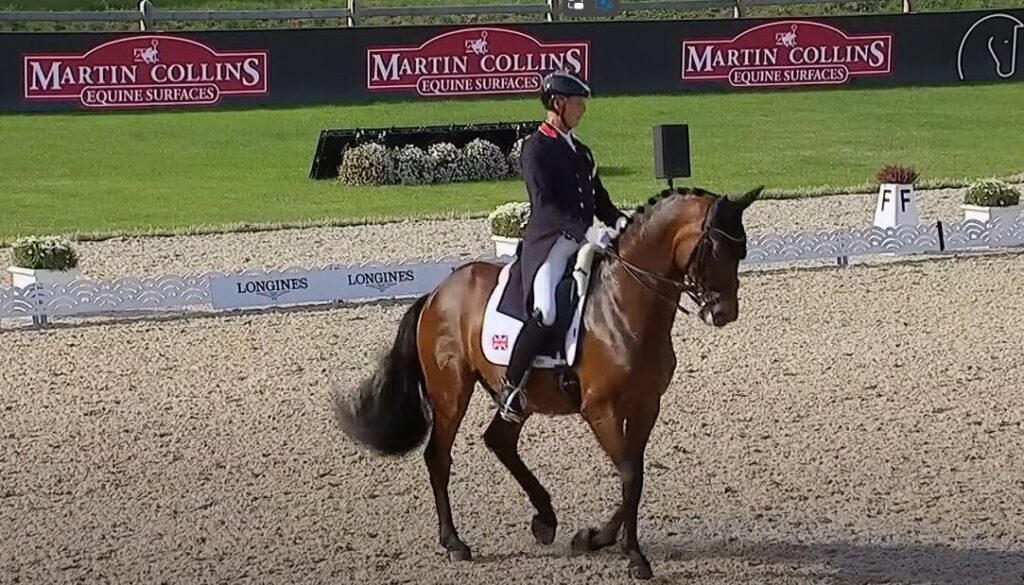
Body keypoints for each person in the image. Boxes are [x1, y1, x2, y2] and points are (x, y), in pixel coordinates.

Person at [496, 70, 629, 424]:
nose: (582, 110)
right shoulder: (536, 147)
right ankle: (511, 387)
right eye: (577, 104)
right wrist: (585, 233)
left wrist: (620, 222)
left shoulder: (582, 152)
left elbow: (599, 198)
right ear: (557, 104)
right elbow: (546, 203)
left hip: (582, 240)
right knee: (547, 310)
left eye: (582, 104)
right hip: (551, 243)